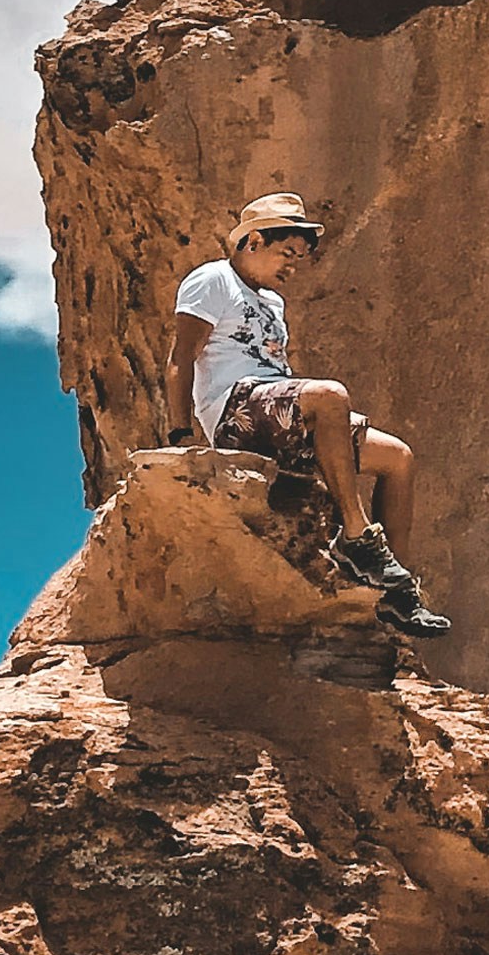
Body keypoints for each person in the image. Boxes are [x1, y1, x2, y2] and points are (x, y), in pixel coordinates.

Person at [167, 191, 449, 636]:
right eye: (287, 254)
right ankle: (357, 537)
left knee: (397, 458)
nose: (292, 267)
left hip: (276, 410)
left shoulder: (273, 304)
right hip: (234, 409)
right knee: (330, 395)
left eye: (299, 258)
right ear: (253, 241)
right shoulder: (212, 280)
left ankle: (396, 593)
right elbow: (183, 357)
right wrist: (181, 432)